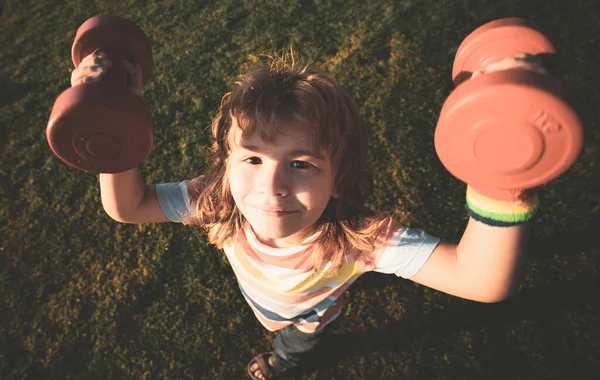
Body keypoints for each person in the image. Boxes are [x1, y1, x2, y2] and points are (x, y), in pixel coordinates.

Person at [72, 50, 542, 379]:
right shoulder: (218, 201)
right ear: (226, 164)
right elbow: (127, 206)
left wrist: (502, 175)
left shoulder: (362, 237)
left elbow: (483, 281)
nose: (271, 186)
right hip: (262, 298)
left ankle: (282, 364)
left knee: (297, 343)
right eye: (252, 159)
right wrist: (110, 114)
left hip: (313, 312)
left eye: (301, 164)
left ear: (340, 175)